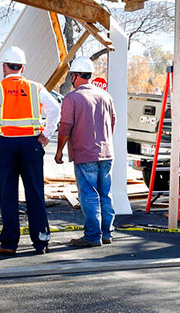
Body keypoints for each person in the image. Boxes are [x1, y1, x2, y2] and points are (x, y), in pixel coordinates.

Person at [0, 46, 60, 255]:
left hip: (7, 145)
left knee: (8, 193)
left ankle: (9, 244)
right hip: (31, 145)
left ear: (5, 66)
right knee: (35, 192)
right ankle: (41, 240)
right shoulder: (35, 87)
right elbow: (55, 108)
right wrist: (46, 134)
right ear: (22, 67)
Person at [54, 57, 116, 248]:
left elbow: (65, 127)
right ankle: (107, 233)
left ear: (74, 76)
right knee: (105, 194)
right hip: (106, 154)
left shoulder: (72, 98)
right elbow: (112, 122)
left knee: (89, 195)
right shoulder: (106, 96)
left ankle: (92, 236)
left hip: (84, 154)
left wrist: (59, 151)